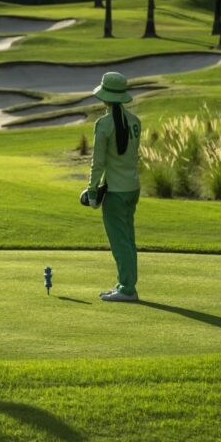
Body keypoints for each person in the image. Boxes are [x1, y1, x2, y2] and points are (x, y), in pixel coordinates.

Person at [87, 72, 142, 302]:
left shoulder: (103, 124)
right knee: (127, 239)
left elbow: (98, 163)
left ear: (105, 97)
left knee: (120, 242)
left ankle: (127, 289)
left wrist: (92, 191)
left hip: (115, 192)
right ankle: (125, 283)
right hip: (132, 188)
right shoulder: (135, 122)